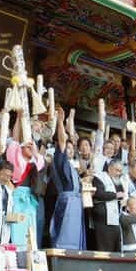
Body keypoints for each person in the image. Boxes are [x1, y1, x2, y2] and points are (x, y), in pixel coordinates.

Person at [49, 107, 85, 250]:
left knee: (76, 238)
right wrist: (60, 122)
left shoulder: (73, 165)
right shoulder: (59, 159)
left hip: (76, 202)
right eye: (67, 148)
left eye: (71, 149)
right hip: (67, 202)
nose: (70, 150)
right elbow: (62, 141)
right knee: (65, 236)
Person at [6, 138, 45, 250]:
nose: (31, 148)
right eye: (28, 146)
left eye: (32, 146)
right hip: (17, 198)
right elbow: (14, 141)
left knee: (30, 232)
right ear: (21, 148)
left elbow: (41, 163)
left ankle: (30, 259)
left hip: (30, 201)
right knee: (16, 229)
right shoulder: (15, 160)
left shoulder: (35, 163)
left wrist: (35, 152)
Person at [92, 158, 126, 252]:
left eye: (120, 171)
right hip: (103, 221)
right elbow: (98, 194)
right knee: (104, 250)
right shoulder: (99, 177)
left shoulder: (118, 181)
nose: (119, 173)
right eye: (117, 170)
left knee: (116, 250)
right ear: (110, 168)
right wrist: (115, 195)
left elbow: (122, 194)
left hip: (115, 220)